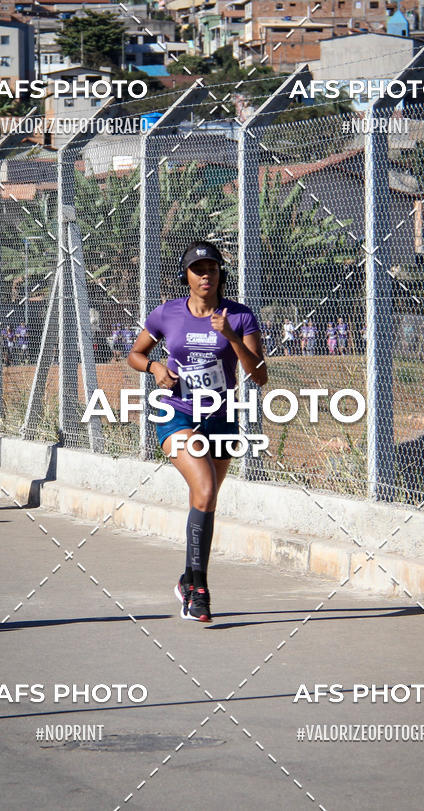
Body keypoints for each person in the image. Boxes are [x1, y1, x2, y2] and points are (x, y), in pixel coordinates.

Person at [127, 240, 267, 622]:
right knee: (204, 491)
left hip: (221, 417)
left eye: (212, 269)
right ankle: (199, 591)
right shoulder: (166, 314)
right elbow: (135, 354)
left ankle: (187, 579)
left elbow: (260, 375)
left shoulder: (239, 316)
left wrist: (234, 338)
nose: (206, 275)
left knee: (205, 501)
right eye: (198, 269)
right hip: (177, 414)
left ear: (221, 273)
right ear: (186, 276)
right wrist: (155, 368)